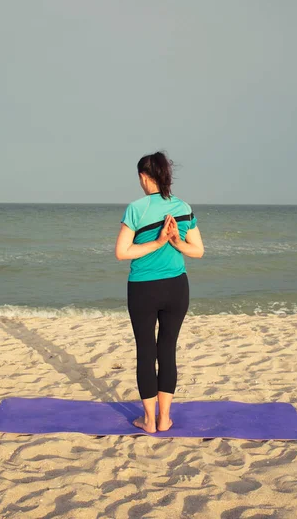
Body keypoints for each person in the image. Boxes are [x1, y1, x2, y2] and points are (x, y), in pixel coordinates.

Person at [115, 151, 204, 433]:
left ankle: (149, 421)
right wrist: (176, 241)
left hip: (143, 289)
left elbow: (121, 252)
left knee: (146, 351)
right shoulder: (184, 207)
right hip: (177, 288)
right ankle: (165, 419)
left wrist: (159, 242)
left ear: (143, 177)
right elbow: (198, 251)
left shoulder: (136, 208)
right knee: (167, 350)